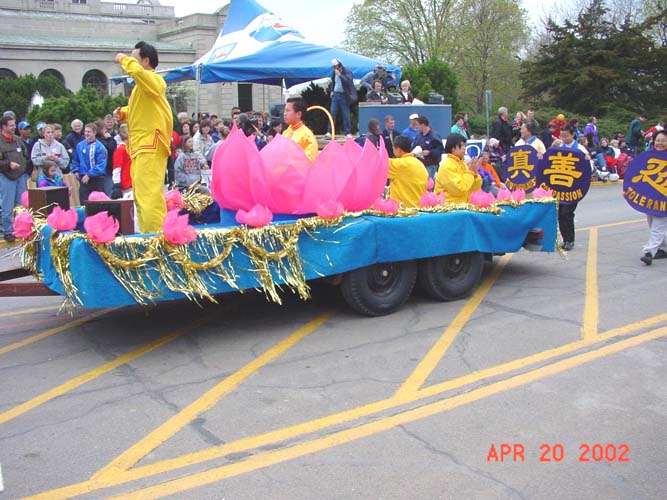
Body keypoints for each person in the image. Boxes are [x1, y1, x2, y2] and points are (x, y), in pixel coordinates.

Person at [114, 41, 173, 233]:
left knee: (149, 197)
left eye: (134, 58)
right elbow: (141, 110)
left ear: (145, 61)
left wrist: (123, 59)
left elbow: (138, 73)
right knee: (141, 196)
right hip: (141, 147)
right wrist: (123, 113)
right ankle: (150, 234)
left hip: (150, 145)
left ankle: (156, 238)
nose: (130, 61)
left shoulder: (155, 80)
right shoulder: (142, 87)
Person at [550, 124, 590, 251]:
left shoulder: (580, 149)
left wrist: (587, 160)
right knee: (560, 214)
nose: (564, 138)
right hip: (560, 187)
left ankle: (570, 240)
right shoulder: (559, 147)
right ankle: (565, 239)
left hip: (574, 188)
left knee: (567, 213)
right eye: (562, 136)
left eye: (566, 136)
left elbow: (588, 168)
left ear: (573, 135)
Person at [639, 130, 667, 265]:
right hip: (650, 198)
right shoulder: (647, 157)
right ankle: (661, 248)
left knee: (658, 225)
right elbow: (637, 176)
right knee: (652, 224)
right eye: (658, 140)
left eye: (663, 140)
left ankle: (649, 252)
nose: (660, 143)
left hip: (664, 199)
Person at [0, 115, 28, 242]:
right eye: (11, 125)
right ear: (4, 126)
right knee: (7, 206)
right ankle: (8, 231)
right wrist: (8, 165)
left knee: (21, 206)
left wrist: (24, 167)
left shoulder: (17, 139)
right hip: (6, 177)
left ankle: (21, 229)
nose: (14, 127)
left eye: (14, 124)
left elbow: (25, 154)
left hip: (20, 176)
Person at [435, 134, 482, 203]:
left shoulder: (462, 164)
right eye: (462, 145)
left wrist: (475, 175)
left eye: (465, 145)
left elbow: (475, 189)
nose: (464, 148)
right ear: (453, 148)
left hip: (462, 205)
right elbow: (459, 189)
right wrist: (470, 173)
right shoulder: (447, 166)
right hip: (449, 207)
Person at [387, 135, 428, 208]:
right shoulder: (420, 164)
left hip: (402, 210)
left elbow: (377, 164)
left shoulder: (399, 164)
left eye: (393, 148)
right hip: (419, 209)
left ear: (398, 149)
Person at [70, 122, 108, 203]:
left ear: (94, 133)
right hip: (83, 179)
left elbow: (101, 165)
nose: (86, 133)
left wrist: (89, 174)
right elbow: (75, 160)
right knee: (84, 203)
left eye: (89, 132)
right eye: (85, 131)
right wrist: (76, 171)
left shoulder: (100, 147)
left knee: (98, 203)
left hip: (96, 180)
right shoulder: (80, 145)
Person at [326, 58, 357, 139]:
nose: (336, 68)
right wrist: (332, 91)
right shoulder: (334, 72)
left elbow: (348, 82)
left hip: (344, 95)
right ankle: (329, 131)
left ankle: (347, 132)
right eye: (334, 67)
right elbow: (333, 82)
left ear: (340, 65)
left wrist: (340, 75)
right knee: (332, 113)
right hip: (336, 95)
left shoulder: (347, 71)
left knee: (345, 114)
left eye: (337, 66)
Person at [112, 123, 133, 199]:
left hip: (132, 182)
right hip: (126, 184)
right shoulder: (121, 149)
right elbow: (117, 168)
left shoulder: (129, 149)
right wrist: (116, 184)